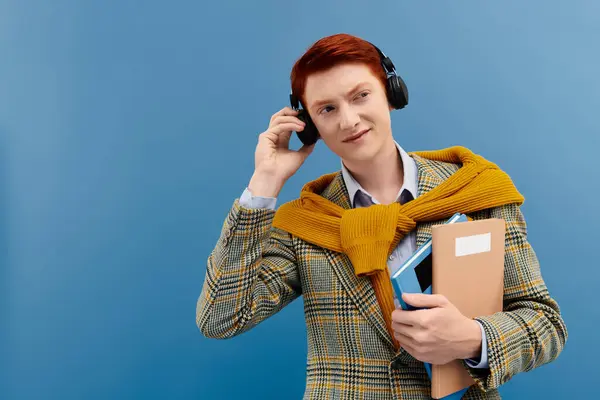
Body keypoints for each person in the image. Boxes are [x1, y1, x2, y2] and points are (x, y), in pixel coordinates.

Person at [196, 33, 567, 399]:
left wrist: (473, 339)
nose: (348, 120)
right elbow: (220, 318)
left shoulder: (474, 190)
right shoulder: (306, 222)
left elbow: (545, 324)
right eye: (327, 109)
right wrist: (265, 182)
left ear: (391, 94)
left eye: (361, 96)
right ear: (310, 126)